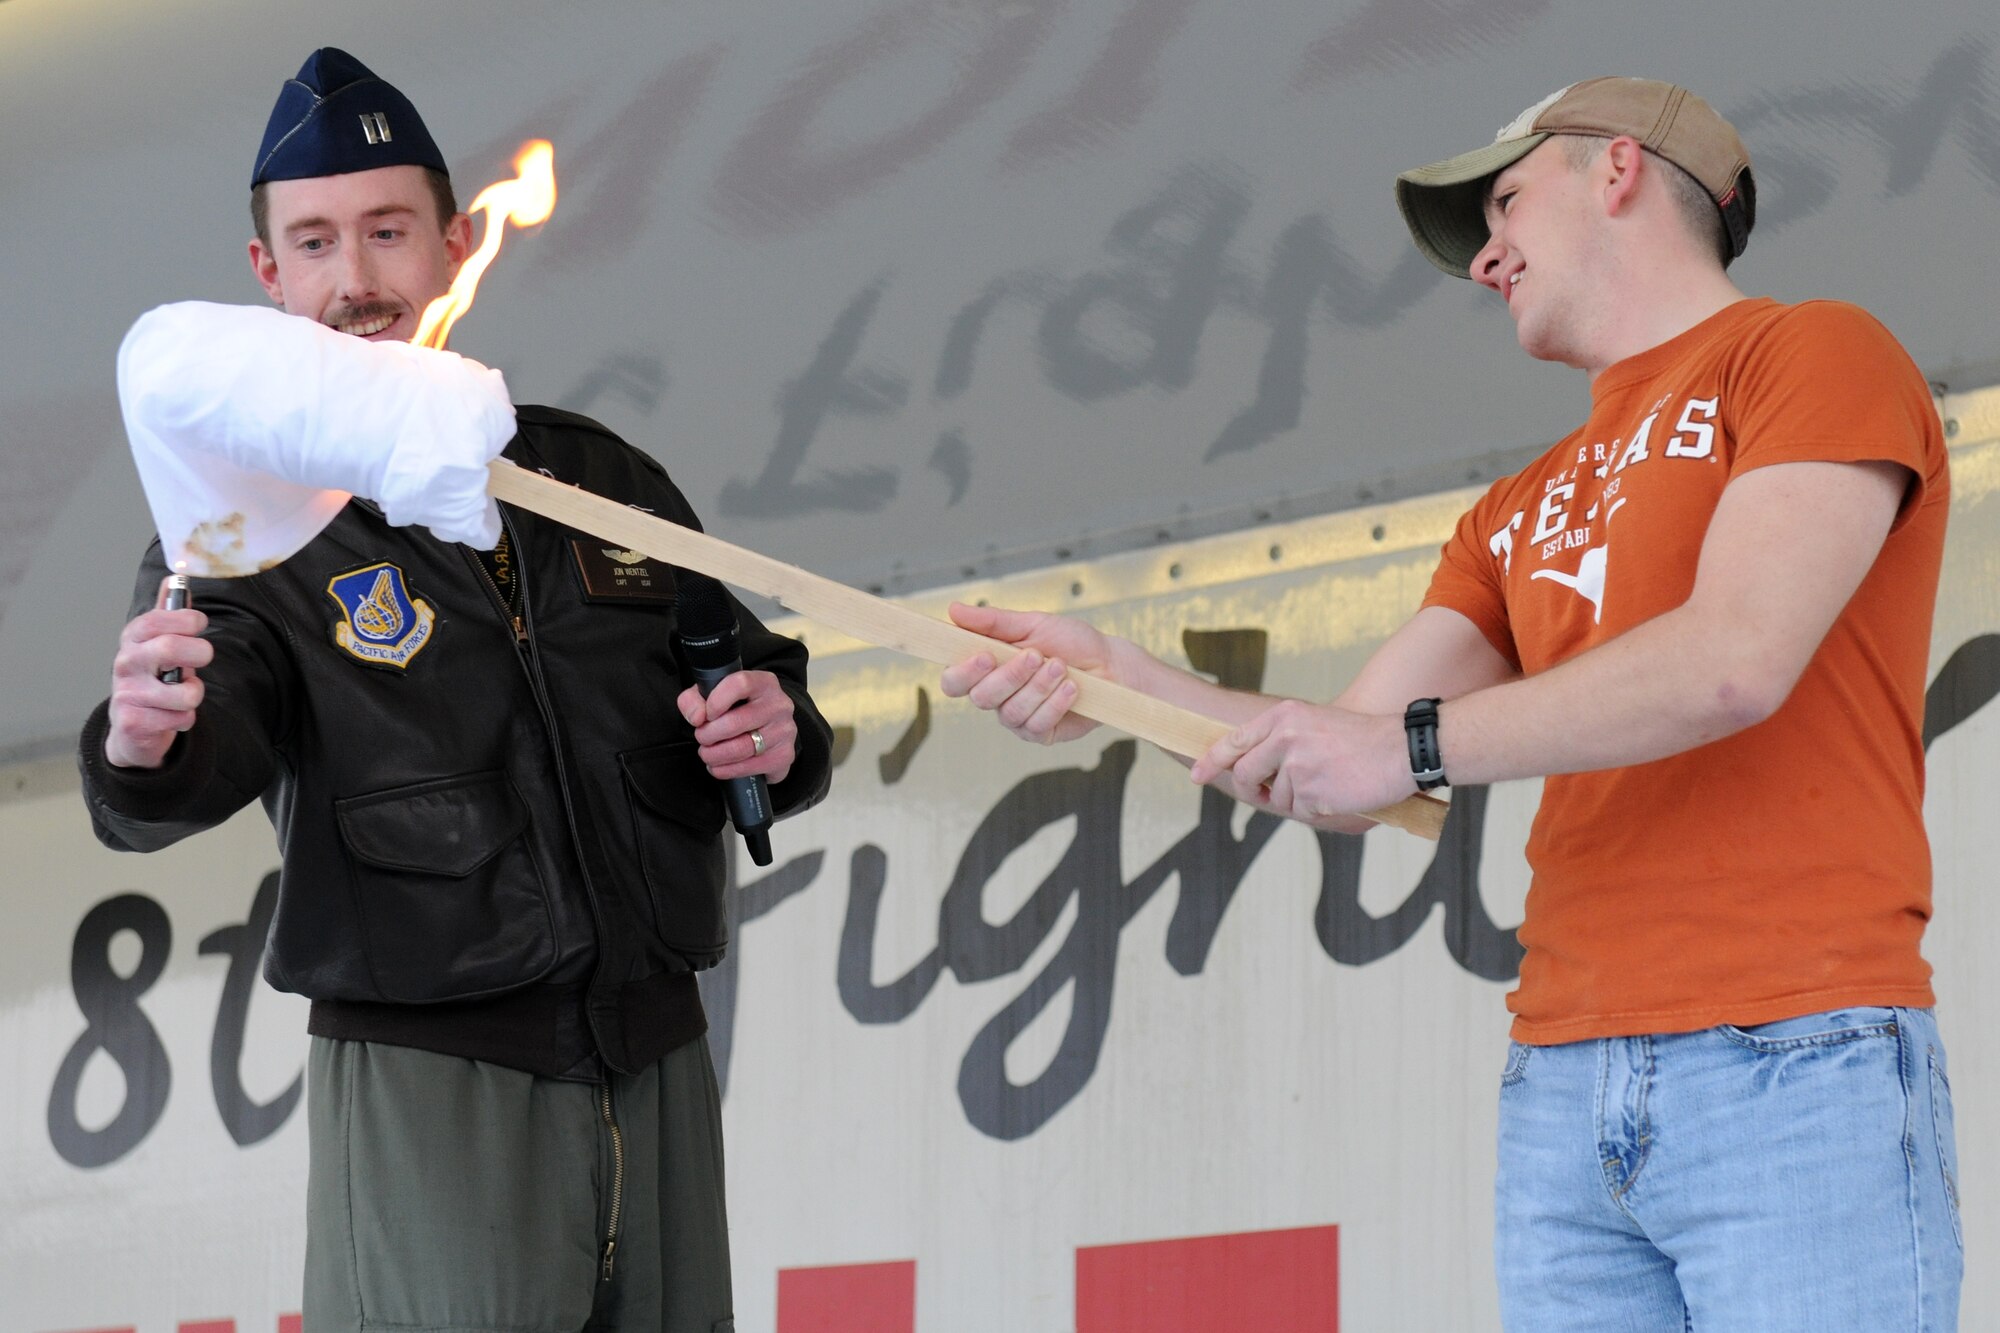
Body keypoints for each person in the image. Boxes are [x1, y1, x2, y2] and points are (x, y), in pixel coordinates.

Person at [941, 77, 1959, 1329]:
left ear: (1616, 169)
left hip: (1791, 1049)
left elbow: (1732, 659)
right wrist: (1114, 679)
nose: (1482, 258)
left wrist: (1408, 749)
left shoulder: (1811, 350)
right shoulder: (1512, 507)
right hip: (1561, 1082)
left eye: (1505, 202)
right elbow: (1339, 756)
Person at [77, 48, 831, 1333]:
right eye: (314, 242)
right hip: (436, 1069)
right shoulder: (246, 527)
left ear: (453, 244)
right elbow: (190, 752)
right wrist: (142, 742)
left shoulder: (594, 477)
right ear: (267, 274)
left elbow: (751, 677)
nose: (355, 280)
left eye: (387, 231)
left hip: (655, 1048)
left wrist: (773, 733)